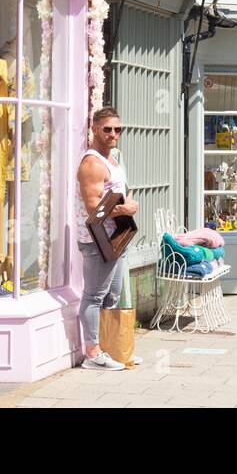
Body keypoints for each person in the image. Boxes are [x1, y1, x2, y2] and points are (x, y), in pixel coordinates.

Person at [76, 106, 141, 370]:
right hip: (97, 241)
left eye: (117, 129)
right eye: (107, 129)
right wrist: (123, 209)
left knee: (111, 295)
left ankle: (110, 347)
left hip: (117, 237)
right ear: (94, 129)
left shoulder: (112, 159)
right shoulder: (92, 163)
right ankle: (92, 353)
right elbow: (93, 208)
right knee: (94, 295)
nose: (113, 134)